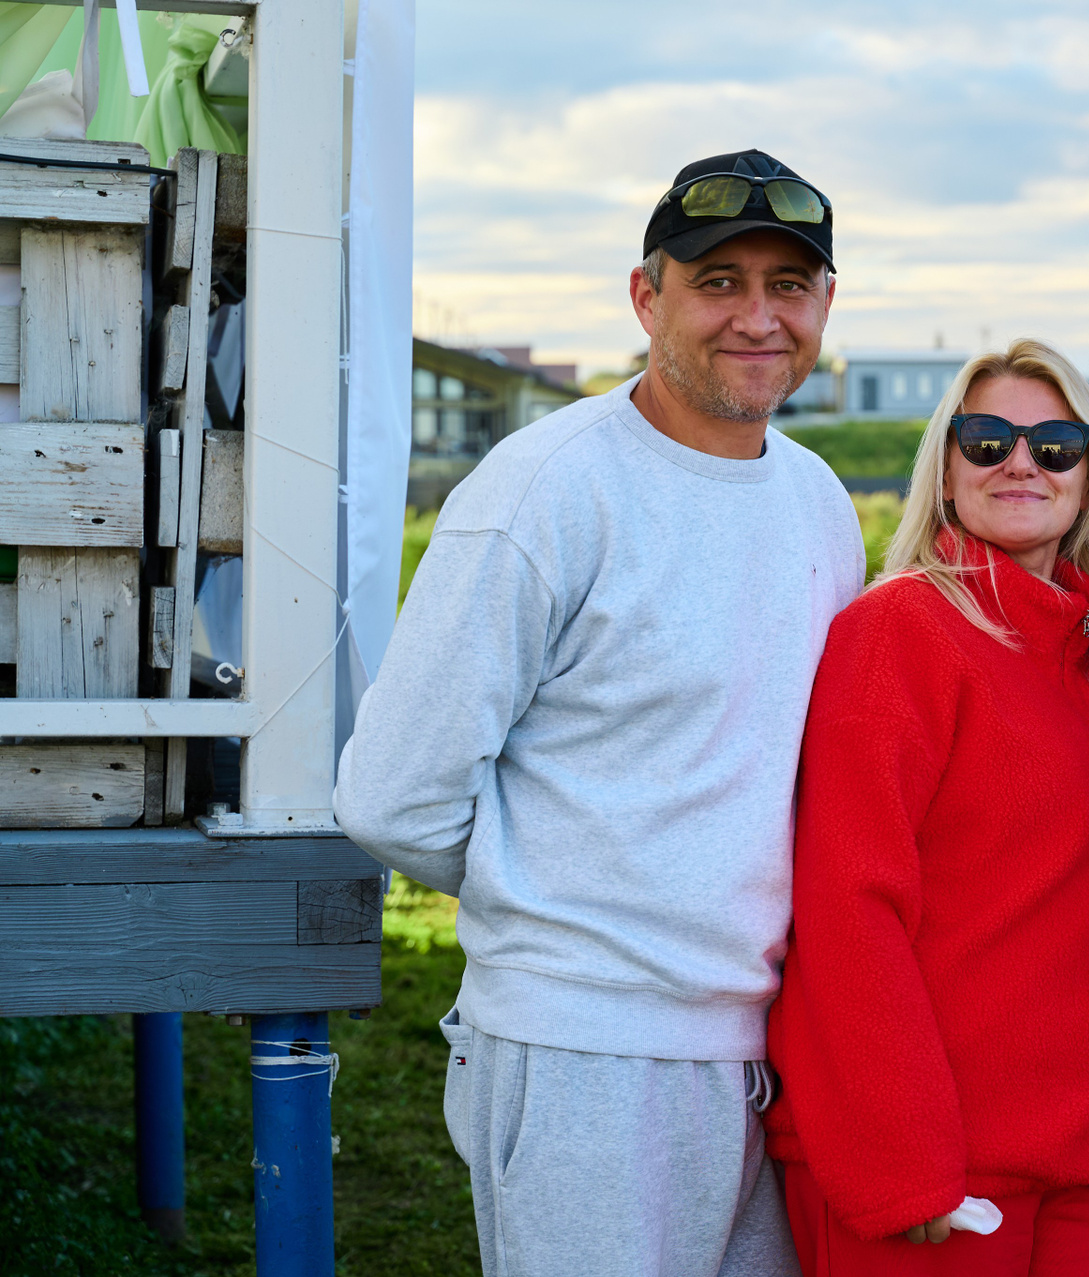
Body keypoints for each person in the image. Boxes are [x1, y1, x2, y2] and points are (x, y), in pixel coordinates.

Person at [333, 149, 866, 1277]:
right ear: (646, 296)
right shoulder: (547, 491)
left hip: (770, 1041)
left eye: (788, 284)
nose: (757, 317)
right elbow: (391, 796)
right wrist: (572, 896)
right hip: (585, 1049)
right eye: (718, 282)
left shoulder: (818, 500)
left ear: (825, 303)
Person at [764, 339, 1089, 1276]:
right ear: (947, 471)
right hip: (941, 1176)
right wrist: (903, 1160)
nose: (1022, 462)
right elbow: (847, 906)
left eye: (1056, 444)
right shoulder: (900, 631)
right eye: (988, 439)